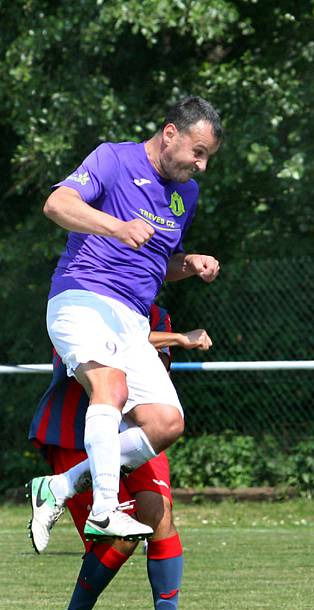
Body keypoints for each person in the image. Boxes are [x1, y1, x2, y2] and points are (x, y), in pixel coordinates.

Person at [27, 96, 222, 544]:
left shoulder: (185, 194)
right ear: (170, 132)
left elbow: (158, 261)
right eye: (198, 152)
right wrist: (115, 226)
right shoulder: (113, 158)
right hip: (82, 297)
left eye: (207, 157)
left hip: (132, 320)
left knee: (165, 422)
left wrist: (188, 264)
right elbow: (57, 205)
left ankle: (59, 486)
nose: (201, 166)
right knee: (109, 387)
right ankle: (104, 509)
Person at [29, 305, 212, 610]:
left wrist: (167, 344)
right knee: (119, 538)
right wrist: (177, 338)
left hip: (135, 429)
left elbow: (158, 374)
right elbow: (103, 351)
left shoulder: (156, 314)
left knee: (160, 514)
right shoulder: (78, 303)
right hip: (77, 429)